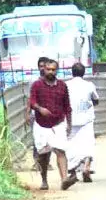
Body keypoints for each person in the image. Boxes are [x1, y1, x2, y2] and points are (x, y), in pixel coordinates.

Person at [29, 59, 74, 191]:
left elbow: (67, 106)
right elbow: (32, 102)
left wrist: (69, 123)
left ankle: (64, 179)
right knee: (43, 155)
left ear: (57, 70)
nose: (50, 72)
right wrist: (39, 108)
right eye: (48, 69)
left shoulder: (62, 86)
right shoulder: (37, 85)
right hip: (41, 125)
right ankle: (44, 180)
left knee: (60, 150)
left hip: (58, 123)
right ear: (44, 70)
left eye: (53, 69)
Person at [65, 63, 99, 183]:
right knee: (88, 144)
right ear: (84, 73)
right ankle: (86, 168)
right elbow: (96, 99)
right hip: (86, 120)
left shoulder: (66, 85)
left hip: (70, 120)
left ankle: (72, 171)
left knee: (70, 145)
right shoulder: (89, 85)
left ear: (72, 72)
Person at [31, 57, 50, 171]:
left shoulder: (53, 81)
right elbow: (30, 99)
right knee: (36, 139)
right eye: (41, 66)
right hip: (36, 115)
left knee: (49, 140)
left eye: (45, 66)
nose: (42, 68)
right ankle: (36, 162)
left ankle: (46, 162)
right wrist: (28, 113)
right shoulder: (34, 81)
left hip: (50, 116)